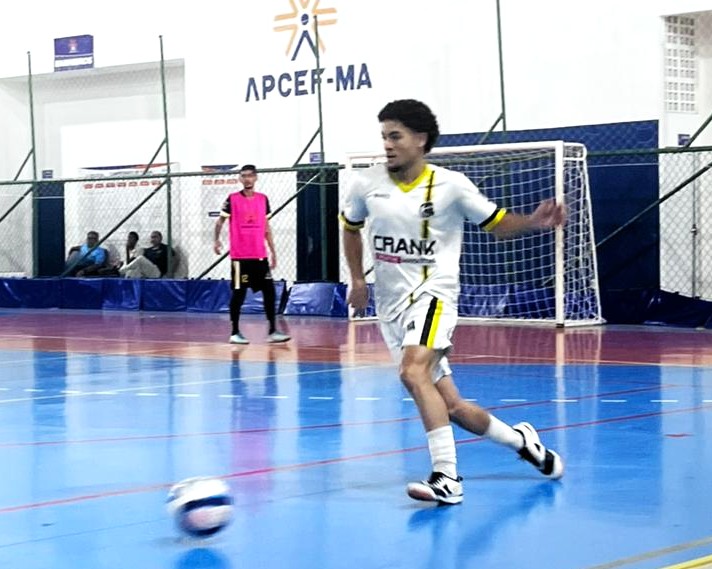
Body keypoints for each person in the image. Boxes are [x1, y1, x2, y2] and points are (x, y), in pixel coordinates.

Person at [340, 99, 565, 505]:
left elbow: (497, 223)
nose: (387, 144)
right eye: (384, 136)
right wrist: (357, 278)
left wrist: (532, 221)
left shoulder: (452, 185)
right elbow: (351, 229)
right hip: (391, 307)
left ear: (420, 139)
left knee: (412, 372)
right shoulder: (365, 183)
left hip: (434, 297)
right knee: (454, 406)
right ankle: (524, 442)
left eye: (395, 136)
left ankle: (446, 477)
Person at [213, 164, 290, 345]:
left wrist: (273, 251)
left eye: (250, 175)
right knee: (239, 293)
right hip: (240, 257)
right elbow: (219, 222)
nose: (247, 179)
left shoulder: (263, 199)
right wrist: (216, 240)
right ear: (240, 178)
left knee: (269, 291)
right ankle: (234, 332)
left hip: (259, 255)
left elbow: (266, 227)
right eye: (244, 176)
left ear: (255, 177)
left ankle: (272, 330)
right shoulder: (232, 199)